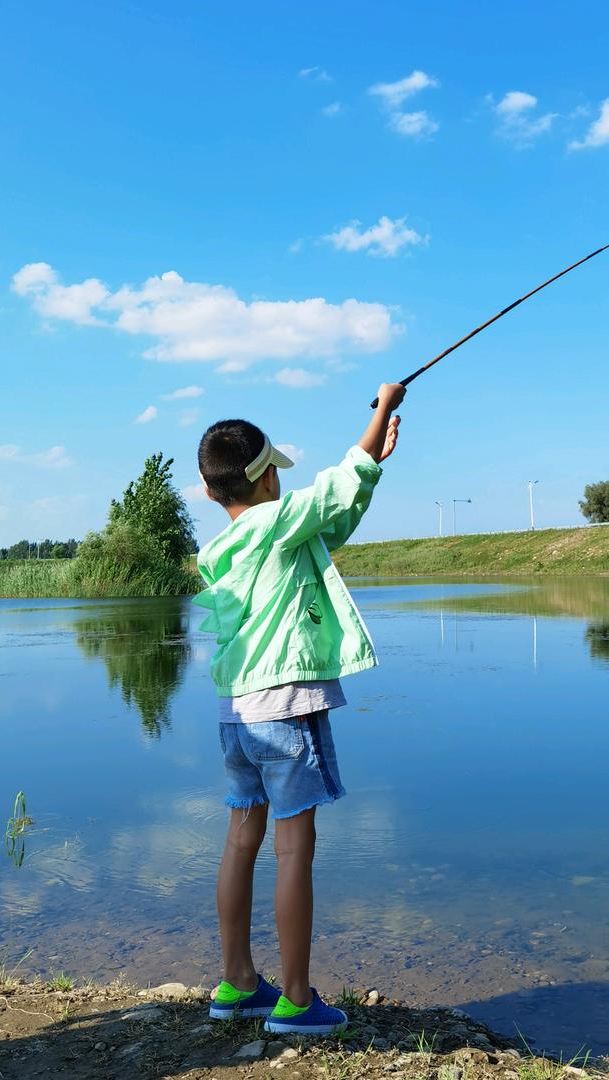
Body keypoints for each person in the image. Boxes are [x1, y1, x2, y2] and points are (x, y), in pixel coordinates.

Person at [192, 383, 405, 1034]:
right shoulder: (277, 524)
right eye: (276, 474)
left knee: (240, 840)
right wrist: (379, 413)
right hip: (286, 710)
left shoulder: (216, 551)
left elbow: (334, 516)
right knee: (293, 850)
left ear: (208, 492)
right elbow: (334, 491)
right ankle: (294, 998)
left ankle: (236, 983)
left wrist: (372, 462)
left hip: (237, 715)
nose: (284, 486)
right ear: (265, 482)